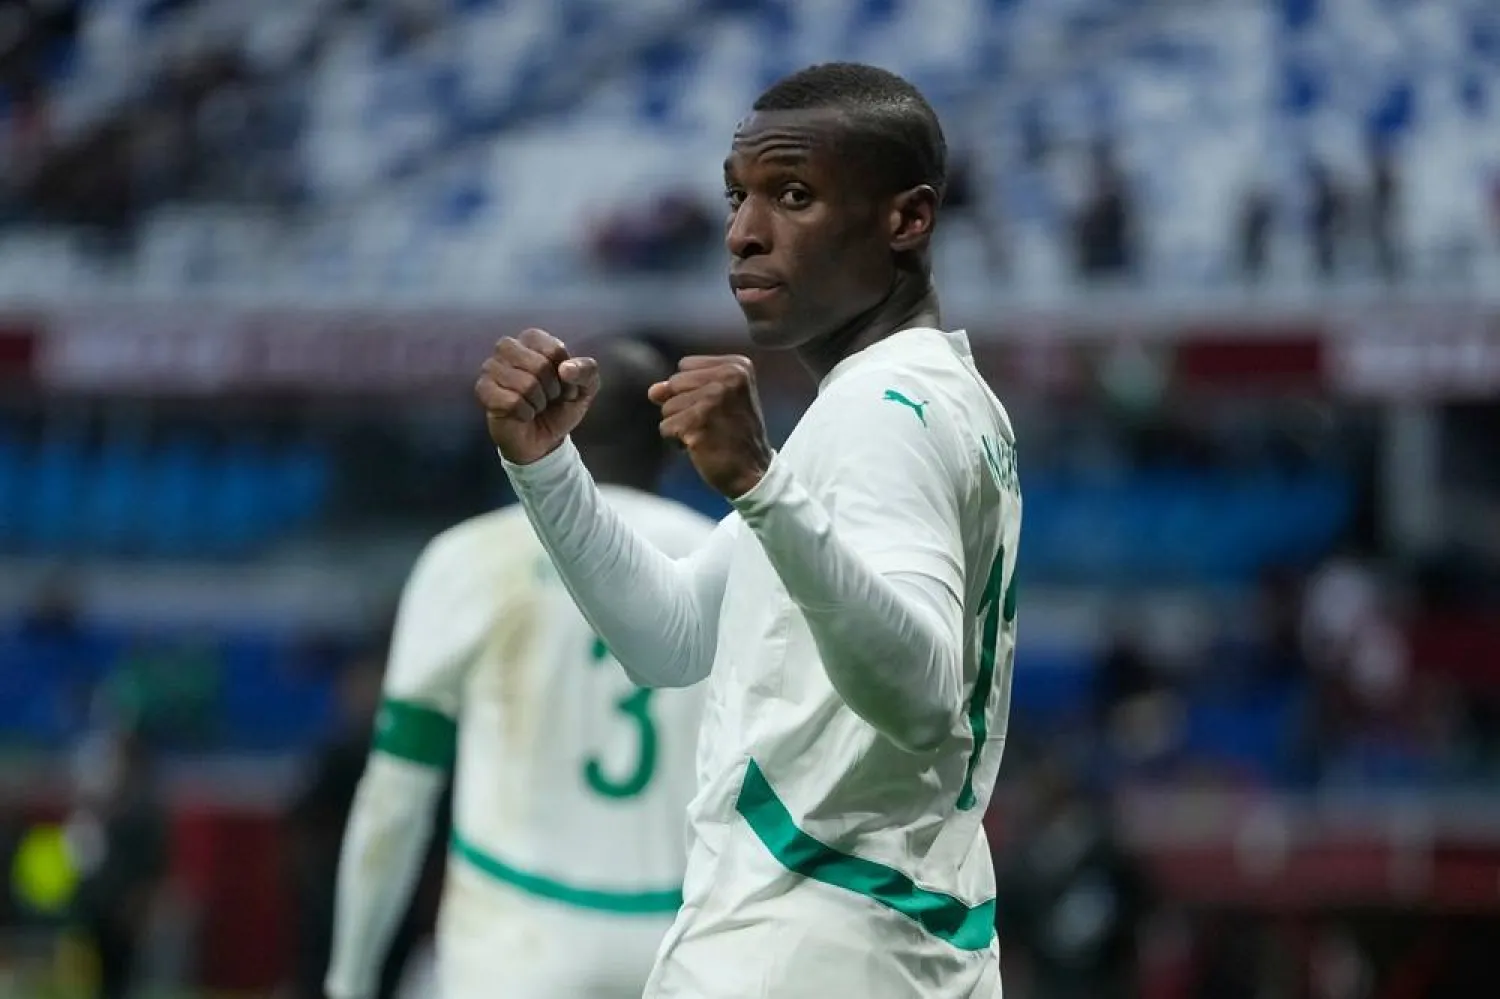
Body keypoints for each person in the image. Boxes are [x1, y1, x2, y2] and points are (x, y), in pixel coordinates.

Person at [476, 62, 1023, 998]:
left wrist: (761, 484)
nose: (742, 233)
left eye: (793, 195)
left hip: (800, 935)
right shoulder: (926, 397)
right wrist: (546, 467)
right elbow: (675, 636)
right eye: (737, 197)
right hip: (896, 938)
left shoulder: (883, 410)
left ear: (908, 219)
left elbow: (924, 694)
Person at [325, 338, 715, 999]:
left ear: (556, 420)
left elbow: (395, 797)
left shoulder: (468, 558)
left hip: (512, 939)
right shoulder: (720, 556)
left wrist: (351, 977)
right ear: (672, 444)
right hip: (681, 940)